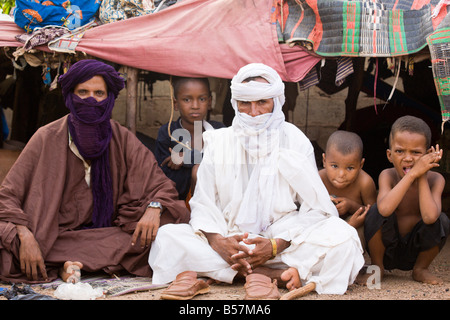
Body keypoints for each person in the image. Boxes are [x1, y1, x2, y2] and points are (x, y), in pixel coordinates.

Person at [148, 63, 364, 300]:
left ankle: (223, 273)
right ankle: (267, 274)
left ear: (276, 102)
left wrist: (274, 246)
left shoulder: (294, 140)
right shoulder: (219, 142)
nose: (253, 111)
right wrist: (219, 243)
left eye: (262, 102)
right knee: (167, 237)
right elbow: (203, 202)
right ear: (235, 103)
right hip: (227, 237)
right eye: (245, 103)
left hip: (280, 236)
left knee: (344, 239)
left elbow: (316, 209)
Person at [0, 59, 190, 284]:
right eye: (83, 92)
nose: (91, 100)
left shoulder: (122, 138)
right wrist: (25, 234)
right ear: (70, 96)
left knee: (168, 228)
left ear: (109, 98)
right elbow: (7, 198)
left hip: (107, 233)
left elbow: (161, 186)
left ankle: (66, 263)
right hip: (52, 235)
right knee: (11, 245)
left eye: (99, 93)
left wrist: (154, 208)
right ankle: (71, 260)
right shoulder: (45, 137)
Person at [364, 115, 449, 285]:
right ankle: (377, 267)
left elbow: (430, 217)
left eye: (416, 152)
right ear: (389, 155)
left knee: (443, 220)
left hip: (415, 250)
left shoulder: (436, 180)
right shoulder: (387, 175)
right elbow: (385, 210)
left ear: (428, 155)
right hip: (388, 248)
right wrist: (411, 176)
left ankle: (420, 269)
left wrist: (422, 175)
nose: (408, 158)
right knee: (374, 211)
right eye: (400, 151)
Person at [154, 77, 224, 201]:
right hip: (177, 204)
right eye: (187, 99)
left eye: (201, 99)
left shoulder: (219, 130)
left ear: (209, 102)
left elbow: (225, 163)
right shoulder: (168, 133)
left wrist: (187, 158)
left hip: (217, 202)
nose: (195, 106)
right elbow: (162, 177)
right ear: (175, 104)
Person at [319, 130, 377, 231]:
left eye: (350, 168)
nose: (341, 175)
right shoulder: (319, 178)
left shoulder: (364, 182)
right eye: (334, 166)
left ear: (361, 165)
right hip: (324, 226)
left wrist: (351, 206)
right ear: (324, 160)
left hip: (356, 226)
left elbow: (374, 213)